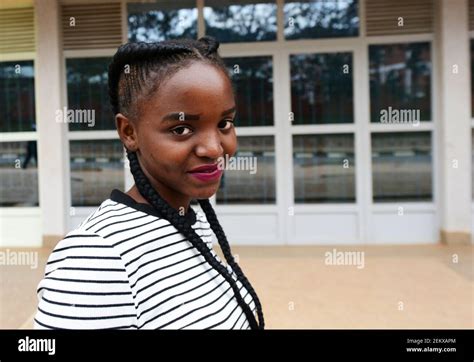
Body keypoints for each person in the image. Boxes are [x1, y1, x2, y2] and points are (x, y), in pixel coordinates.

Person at [34, 36, 264, 330]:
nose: (214, 149)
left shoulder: (191, 221)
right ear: (129, 132)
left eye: (224, 124)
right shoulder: (96, 256)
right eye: (181, 129)